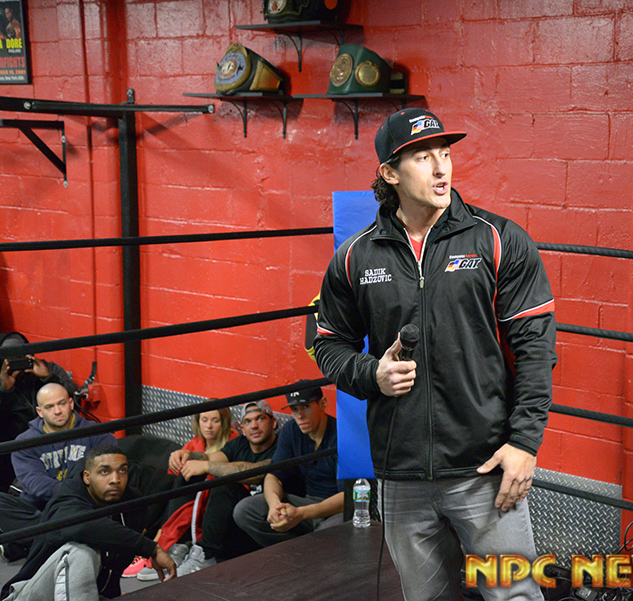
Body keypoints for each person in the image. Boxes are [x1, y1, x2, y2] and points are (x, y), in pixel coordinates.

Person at [314, 108, 557, 601]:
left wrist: (525, 443)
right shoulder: (355, 256)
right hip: (401, 475)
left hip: (484, 469)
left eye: (444, 154)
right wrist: (371, 374)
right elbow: (329, 343)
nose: (442, 167)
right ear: (389, 173)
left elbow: (535, 348)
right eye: (423, 158)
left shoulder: (498, 240)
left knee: (515, 596)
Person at [0, 445, 177, 600]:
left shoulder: (133, 506)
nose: (115, 479)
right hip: (29, 596)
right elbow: (84, 526)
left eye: (122, 471)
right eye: (104, 472)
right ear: (86, 477)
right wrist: (151, 548)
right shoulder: (65, 502)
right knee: (81, 551)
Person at [0, 383, 116, 562]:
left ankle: (36, 541)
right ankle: (67, 535)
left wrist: (76, 498)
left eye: (61, 403)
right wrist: (74, 492)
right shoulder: (24, 442)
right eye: (49, 407)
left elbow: (106, 475)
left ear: (71, 403)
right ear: (39, 412)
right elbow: (35, 485)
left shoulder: (97, 434)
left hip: (82, 507)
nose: (57, 411)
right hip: (42, 510)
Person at [126, 406, 237, 579]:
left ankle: (163, 546)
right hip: (185, 500)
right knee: (165, 483)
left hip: (212, 500)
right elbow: (175, 474)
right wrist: (175, 460)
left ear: (224, 423)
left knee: (183, 486)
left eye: (215, 421)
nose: (209, 426)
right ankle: (151, 542)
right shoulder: (195, 443)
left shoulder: (233, 444)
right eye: (204, 420)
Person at [170, 400, 279, 575]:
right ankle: (181, 545)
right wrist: (189, 455)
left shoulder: (282, 445)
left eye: (260, 419)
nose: (254, 426)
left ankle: (207, 555)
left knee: (226, 485)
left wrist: (207, 466)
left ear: (273, 423)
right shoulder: (239, 444)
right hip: (237, 530)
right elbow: (211, 458)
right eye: (248, 421)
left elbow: (259, 471)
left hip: (267, 527)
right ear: (242, 428)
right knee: (189, 473)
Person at [234, 382, 343, 547]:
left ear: (322, 404)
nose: (300, 415)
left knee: (325, 534)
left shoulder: (341, 434)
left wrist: (301, 513)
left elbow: (348, 497)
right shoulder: (291, 429)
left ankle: (309, 553)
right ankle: (295, 552)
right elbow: (273, 476)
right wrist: (274, 505)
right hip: (306, 503)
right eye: (295, 409)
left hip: (337, 510)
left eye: (305, 407)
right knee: (245, 510)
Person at [0, 333, 78, 493]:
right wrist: (4, 391)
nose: (18, 363)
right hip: (12, 442)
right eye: (11, 359)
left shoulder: (48, 368)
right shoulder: (2, 377)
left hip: (51, 438)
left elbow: (74, 397)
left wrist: (48, 377)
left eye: (21, 357)